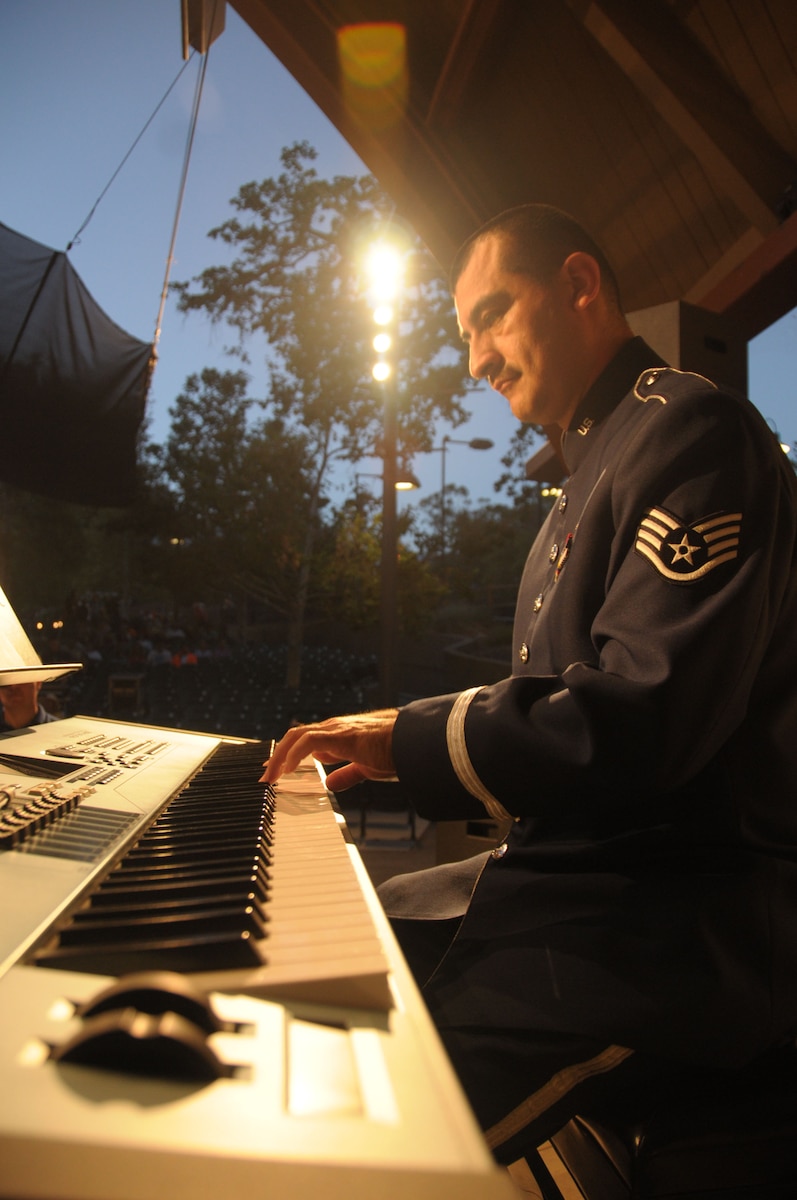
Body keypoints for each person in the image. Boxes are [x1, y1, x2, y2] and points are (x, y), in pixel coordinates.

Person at [262, 204, 797, 1164]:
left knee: (354, 1155)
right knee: (311, 969)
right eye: (465, 333)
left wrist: (408, 738)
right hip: (577, 891)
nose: (475, 360)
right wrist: (411, 749)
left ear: (580, 286)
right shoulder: (593, 469)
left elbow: (645, 717)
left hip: (671, 924)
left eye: (491, 317)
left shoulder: (695, 430)